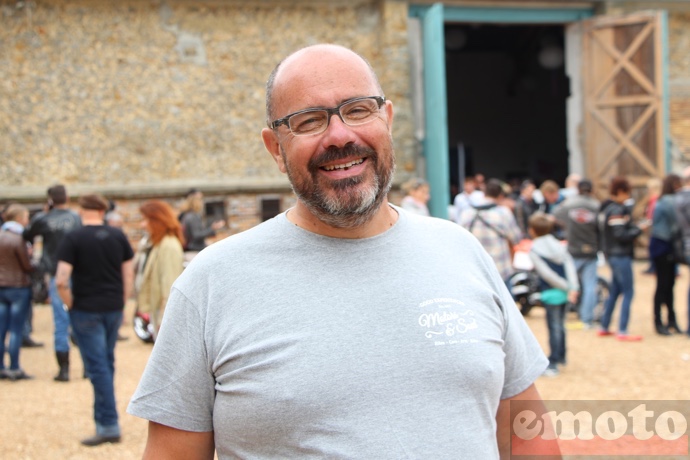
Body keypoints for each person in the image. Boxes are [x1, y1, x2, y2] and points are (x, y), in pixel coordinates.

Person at [128, 44, 554, 459]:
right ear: (276, 148)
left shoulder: (460, 251)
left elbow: (525, 433)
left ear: (387, 119)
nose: (340, 136)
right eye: (309, 121)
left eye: (358, 110)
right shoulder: (211, 283)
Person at [55, 194, 134, 446]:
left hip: (86, 309)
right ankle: (104, 420)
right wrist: (122, 303)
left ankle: (108, 424)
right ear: (102, 211)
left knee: (98, 366)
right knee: (106, 362)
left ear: (82, 210)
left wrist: (70, 304)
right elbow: (128, 274)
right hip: (112, 307)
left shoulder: (74, 238)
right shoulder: (118, 236)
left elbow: (60, 280)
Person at [23, 184, 82, 381]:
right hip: (77, 272)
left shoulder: (43, 219)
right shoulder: (75, 218)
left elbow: (27, 235)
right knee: (80, 317)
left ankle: (64, 370)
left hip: (56, 272)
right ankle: (88, 368)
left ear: (50, 199)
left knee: (60, 321)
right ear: (67, 197)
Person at [528, 213, 579, 377]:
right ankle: (562, 355)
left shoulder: (535, 250)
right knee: (561, 325)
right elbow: (569, 265)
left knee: (553, 326)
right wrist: (572, 287)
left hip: (551, 292)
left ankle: (554, 361)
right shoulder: (558, 245)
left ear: (533, 230)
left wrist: (565, 287)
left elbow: (546, 274)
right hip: (566, 292)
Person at [598, 176, 649, 341]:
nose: (628, 196)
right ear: (620, 192)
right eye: (627, 193)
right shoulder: (616, 211)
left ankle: (605, 325)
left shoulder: (609, 208)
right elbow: (620, 235)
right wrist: (638, 229)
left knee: (615, 290)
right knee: (628, 291)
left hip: (613, 254)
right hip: (620, 255)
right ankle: (623, 329)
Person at [552, 179, 601, 328]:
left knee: (569, 284)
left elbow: (555, 215)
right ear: (591, 189)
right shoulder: (596, 205)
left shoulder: (569, 204)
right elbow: (601, 226)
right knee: (590, 286)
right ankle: (587, 319)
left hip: (573, 249)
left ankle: (562, 315)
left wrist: (567, 226)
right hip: (591, 249)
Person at [134, 200, 185, 341]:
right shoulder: (158, 243)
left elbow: (170, 285)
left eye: (145, 220)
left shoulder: (169, 246)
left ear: (157, 220)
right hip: (156, 312)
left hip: (164, 316)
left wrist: (164, 321)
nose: (142, 225)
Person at [459, 178, 523, 282]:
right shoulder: (503, 213)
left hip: (475, 272)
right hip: (499, 270)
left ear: (484, 193)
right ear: (501, 196)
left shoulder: (467, 212)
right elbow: (516, 238)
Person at [0, 204, 35, 381]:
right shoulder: (19, 239)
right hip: (18, 287)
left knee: (1, 329)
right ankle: (14, 367)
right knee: (15, 329)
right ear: (19, 219)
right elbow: (27, 265)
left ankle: (1, 367)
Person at [649, 174, 683, 335]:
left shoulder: (663, 200)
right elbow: (678, 221)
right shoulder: (669, 201)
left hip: (664, 245)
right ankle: (660, 321)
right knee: (664, 285)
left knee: (669, 284)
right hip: (663, 245)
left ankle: (670, 320)